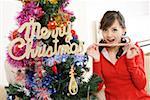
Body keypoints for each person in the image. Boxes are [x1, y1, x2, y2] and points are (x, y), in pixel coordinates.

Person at [87, 11, 150, 100]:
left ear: (123, 30)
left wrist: (130, 61)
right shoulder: (99, 54)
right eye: (105, 30)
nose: (109, 35)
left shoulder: (134, 50)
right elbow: (97, 88)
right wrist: (96, 60)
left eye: (114, 30)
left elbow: (141, 85)